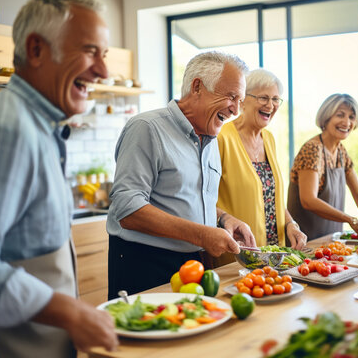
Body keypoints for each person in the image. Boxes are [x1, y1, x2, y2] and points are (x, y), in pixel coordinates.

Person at [0, 0, 118, 357]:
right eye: (90, 51)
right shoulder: (11, 129)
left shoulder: (38, 124)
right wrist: (68, 311)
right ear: (37, 49)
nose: (103, 71)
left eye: (105, 54)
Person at [107, 51, 256, 297]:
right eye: (231, 97)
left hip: (194, 264)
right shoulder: (147, 128)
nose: (236, 110)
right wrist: (202, 234)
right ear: (197, 86)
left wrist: (223, 219)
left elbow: (183, 196)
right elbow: (127, 209)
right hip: (145, 264)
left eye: (240, 101)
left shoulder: (210, 138)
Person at [217, 69, 307, 251]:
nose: (271, 105)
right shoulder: (222, 138)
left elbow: (270, 197)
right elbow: (203, 200)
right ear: (242, 99)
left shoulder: (269, 139)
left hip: (274, 254)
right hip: (237, 252)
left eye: (275, 99)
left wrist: (291, 224)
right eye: (263, 98)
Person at [287, 93, 358, 240]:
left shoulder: (341, 152)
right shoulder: (312, 149)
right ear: (326, 117)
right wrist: (351, 219)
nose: (346, 122)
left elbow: (357, 191)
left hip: (329, 240)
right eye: (340, 115)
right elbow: (308, 200)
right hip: (305, 241)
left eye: (351, 117)